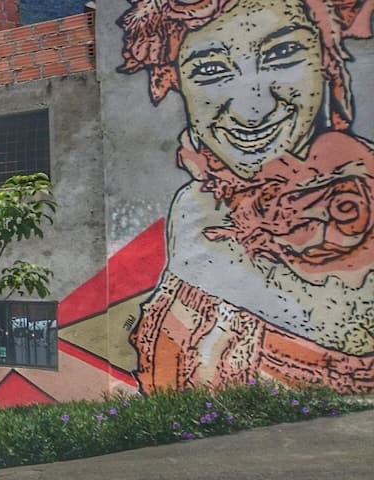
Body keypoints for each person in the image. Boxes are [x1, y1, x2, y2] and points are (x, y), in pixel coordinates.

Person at [118, 0, 374, 393]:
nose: (254, 109)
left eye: (283, 53)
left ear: (326, 61)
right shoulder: (192, 207)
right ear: (175, 80)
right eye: (209, 69)